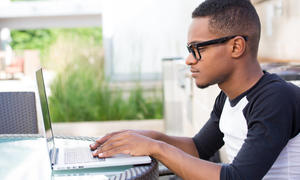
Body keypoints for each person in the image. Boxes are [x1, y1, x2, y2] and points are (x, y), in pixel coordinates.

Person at [90, 0, 300, 179]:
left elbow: (238, 177)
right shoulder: (227, 97)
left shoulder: (276, 99)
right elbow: (198, 148)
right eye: (189, 50)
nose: (190, 60)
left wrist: (155, 148)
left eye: (198, 49)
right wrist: (150, 137)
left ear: (236, 47)